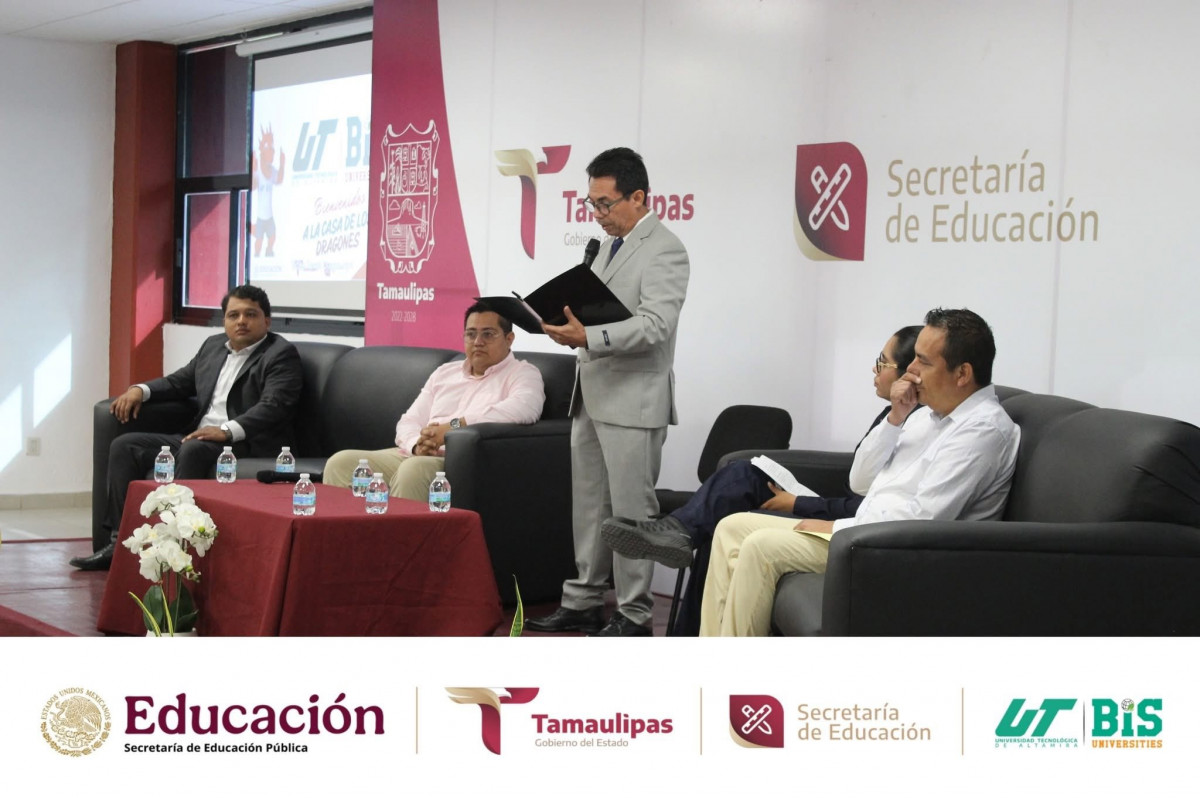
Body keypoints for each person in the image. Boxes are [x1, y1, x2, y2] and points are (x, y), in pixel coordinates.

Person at [701, 308, 1021, 636]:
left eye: (923, 361)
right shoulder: (925, 415)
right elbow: (861, 481)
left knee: (760, 548)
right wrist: (895, 418)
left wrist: (835, 527)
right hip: (862, 533)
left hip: (892, 552)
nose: (911, 369)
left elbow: (921, 522)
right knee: (731, 528)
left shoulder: (982, 430)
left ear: (962, 373)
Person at [599, 325, 923, 635]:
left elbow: (868, 507)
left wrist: (798, 503)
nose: (873, 369)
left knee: (724, 517)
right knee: (739, 478)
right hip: (841, 504)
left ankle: (680, 537)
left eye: (882, 362)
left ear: (909, 373)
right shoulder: (893, 416)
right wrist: (893, 418)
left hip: (853, 522)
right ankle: (679, 533)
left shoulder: (928, 431)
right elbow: (858, 480)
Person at [526, 147, 690, 637]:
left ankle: (634, 613)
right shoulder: (605, 248)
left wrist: (589, 336)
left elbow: (656, 325)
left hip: (634, 402)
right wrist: (564, 325)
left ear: (638, 197)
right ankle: (582, 601)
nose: (596, 214)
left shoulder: (665, 249)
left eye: (605, 203)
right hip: (592, 394)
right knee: (589, 509)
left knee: (631, 516)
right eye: (591, 203)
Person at [72, 284, 302, 571]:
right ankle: (118, 544)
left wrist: (226, 431)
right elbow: (179, 382)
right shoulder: (213, 347)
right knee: (125, 446)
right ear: (224, 321)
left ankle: (178, 546)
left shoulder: (280, 354)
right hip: (200, 436)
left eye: (250, 314)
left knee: (193, 449)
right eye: (233, 315)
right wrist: (140, 390)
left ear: (266, 321)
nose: (241, 321)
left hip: (247, 441)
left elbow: (274, 405)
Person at [322, 302, 545, 499]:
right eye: (471, 334)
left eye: (488, 334)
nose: (478, 342)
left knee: (413, 471)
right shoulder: (445, 373)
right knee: (341, 464)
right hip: (419, 454)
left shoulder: (522, 373)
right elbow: (409, 421)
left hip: (461, 461)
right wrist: (417, 445)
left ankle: (403, 536)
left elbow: (523, 409)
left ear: (509, 339)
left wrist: (452, 428)